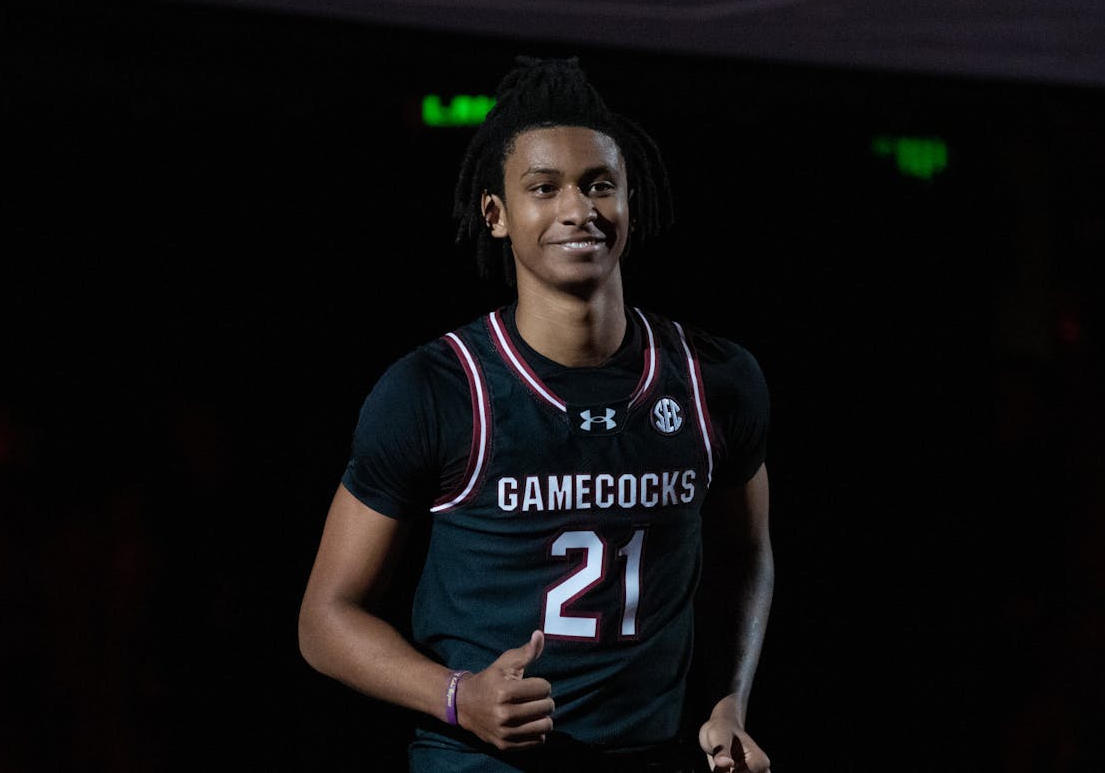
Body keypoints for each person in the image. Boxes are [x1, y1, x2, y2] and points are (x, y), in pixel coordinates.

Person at [298, 56, 774, 773]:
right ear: (497, 215)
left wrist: (727, 702)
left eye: (599, 186)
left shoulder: (716, 381)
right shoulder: (440, 388)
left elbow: (746, 557)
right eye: (544, 189)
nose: (577, 209)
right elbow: (323, 620)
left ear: (630, 205)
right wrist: (458, 695)